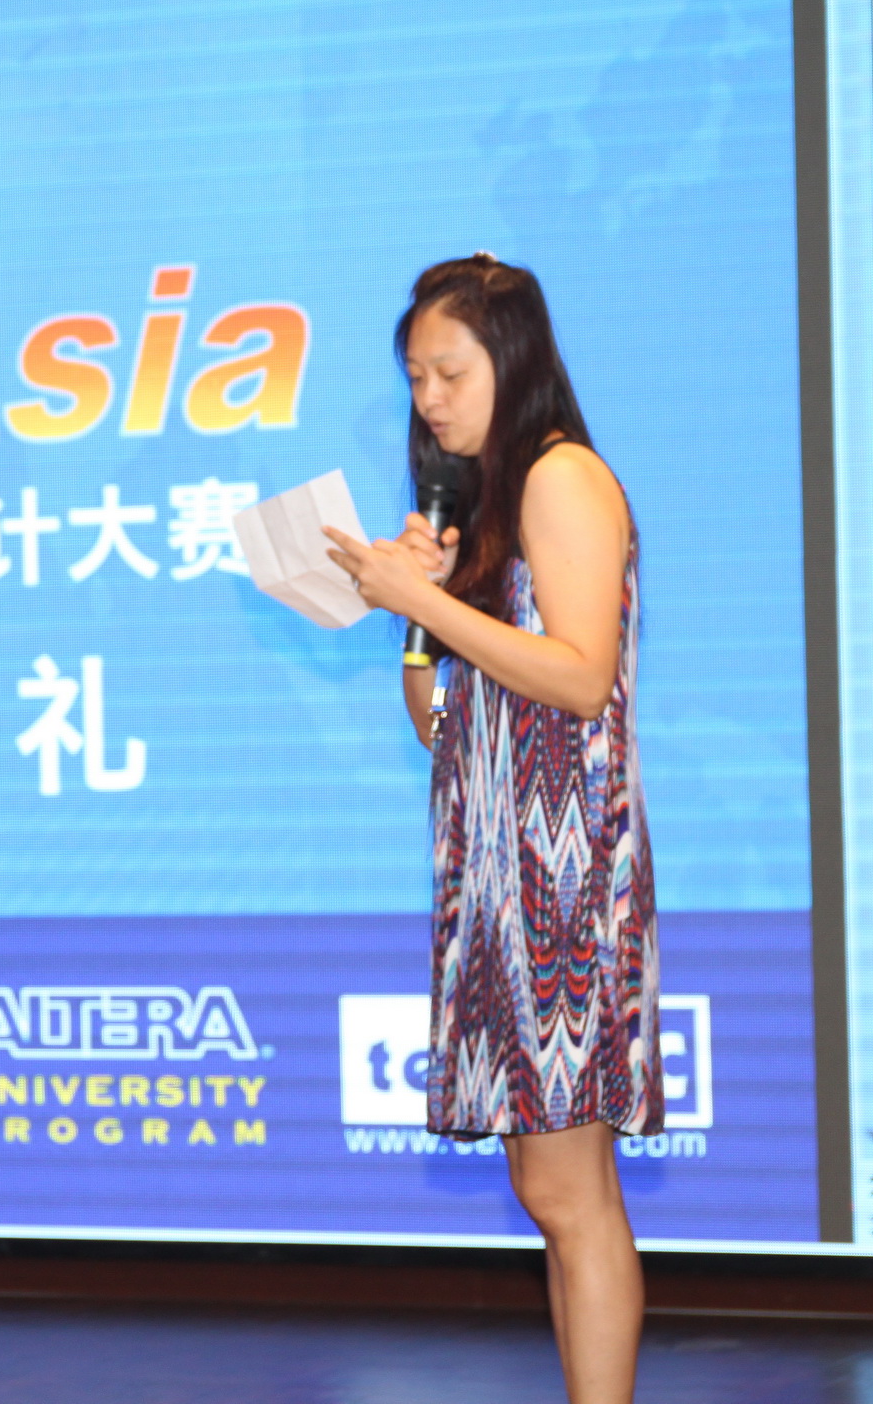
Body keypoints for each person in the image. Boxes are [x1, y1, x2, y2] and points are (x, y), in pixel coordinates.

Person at [325, 254, 659, 1404]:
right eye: (415, 376)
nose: (428, 398)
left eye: (449, 372)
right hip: (496, 876)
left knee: (572, 1195)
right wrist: (418, 614)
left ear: (510, 363)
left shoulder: (563, 478)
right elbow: (439, 722)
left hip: (562, 875)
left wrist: (425, 600)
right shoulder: (479, 509)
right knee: (548, 1192)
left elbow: (580, 677)